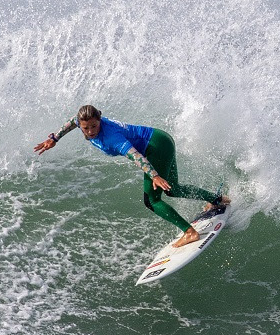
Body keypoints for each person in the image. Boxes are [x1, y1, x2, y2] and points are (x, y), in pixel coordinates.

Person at [33, 104, 229, 247]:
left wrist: (154, 175)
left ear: (100, 119)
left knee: (151, 201)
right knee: (173, 189)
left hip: (156, 148)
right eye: (86, 128)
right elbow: (71, 123)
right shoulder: (81, 121)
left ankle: (190, 233)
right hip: (162, 139)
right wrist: (54, 139)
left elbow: (136, 155)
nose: (91, 131)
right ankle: (217, 199)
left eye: (94, 126)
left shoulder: (112, 137)